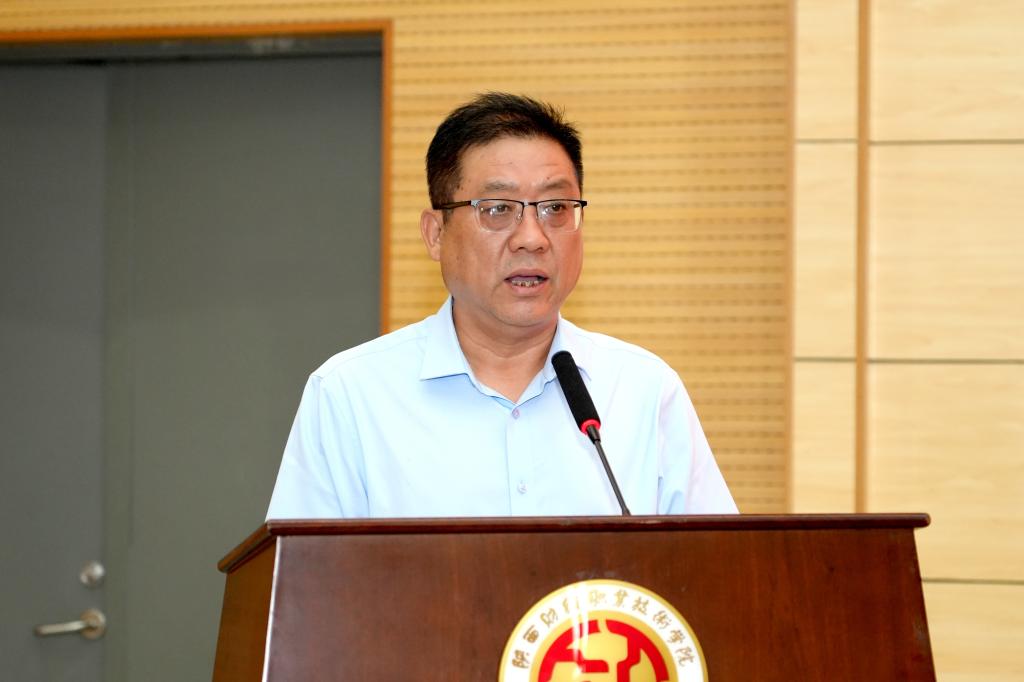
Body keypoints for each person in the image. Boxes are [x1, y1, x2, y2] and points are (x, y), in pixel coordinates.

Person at [267, 92, 737, 519]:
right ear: (435, 234)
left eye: (556, 208)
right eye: (497, 209)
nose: (532, 238)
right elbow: (301, 580)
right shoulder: (351, 396)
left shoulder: (644, 391)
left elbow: (716, 570)